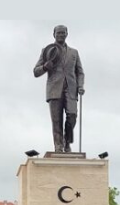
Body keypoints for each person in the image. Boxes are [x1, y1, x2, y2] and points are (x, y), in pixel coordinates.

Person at [33, 24, 85, 152]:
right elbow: (36, 71)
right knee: (56, 120)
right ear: (54, 34)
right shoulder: (48, 50)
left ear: (67, 34)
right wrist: (45, 67)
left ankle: (67, 142)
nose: (61, 35)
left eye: (63, 33)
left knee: (72, 116)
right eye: (58, 33)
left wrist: (80, 85)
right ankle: (58, 145)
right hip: (54, 89)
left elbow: (80, 72)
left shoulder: (74, 52)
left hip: (71, 90)